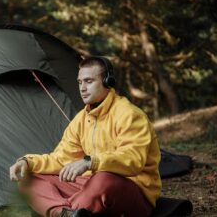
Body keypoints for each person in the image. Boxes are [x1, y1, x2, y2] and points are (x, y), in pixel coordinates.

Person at [9, 56, 161, 217]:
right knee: (28, 179)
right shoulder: (81, 119)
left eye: (89, 81)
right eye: (80, 82)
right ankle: (64, 213)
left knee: (103, 178)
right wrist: (28, 161)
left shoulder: (130, 115)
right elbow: (60, 159)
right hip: (90, 187)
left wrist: (89, 162)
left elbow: (133, 160)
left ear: (107, 82)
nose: (82, 88)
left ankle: (74, 208)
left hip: (133, 191)